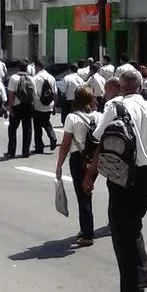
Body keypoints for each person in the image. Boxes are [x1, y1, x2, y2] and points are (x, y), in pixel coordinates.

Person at [83, 66, 147, 292]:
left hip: (121, 176)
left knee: (122, 235)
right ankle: (140, 277)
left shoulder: (114, 107)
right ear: (140, 86)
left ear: (120, 87)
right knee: (133, 227)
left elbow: (98, 139)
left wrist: (90, 175)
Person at [55, 86, 102, 247]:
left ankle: (88, 233)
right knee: (87, 193)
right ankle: (86, 228)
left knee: (83, 197)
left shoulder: (72, 118)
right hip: (95, 160)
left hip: (78, 159)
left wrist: (59, 165)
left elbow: (65, 145)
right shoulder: (99, 116)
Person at [6, 61, 35, 158]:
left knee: (12, 128)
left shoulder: (14, 78)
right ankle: (26, 151)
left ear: (18, 68)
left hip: (17, 106)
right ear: (26, 69)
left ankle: (11, 151)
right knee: (27, 129)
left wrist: (10, 107)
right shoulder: (31, 78)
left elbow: (11, 93)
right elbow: (34, 94)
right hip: (28, 106)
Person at [31, 59, 58, 154]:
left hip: (38, 105)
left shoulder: (35, 78)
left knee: (37, 127)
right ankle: (52, 136)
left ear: (37, 67)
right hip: (49, 105)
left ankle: (39, 147)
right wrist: (54, 105)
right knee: (46, 123)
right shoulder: (51, 78)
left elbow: (33, 93)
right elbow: (55, 93)